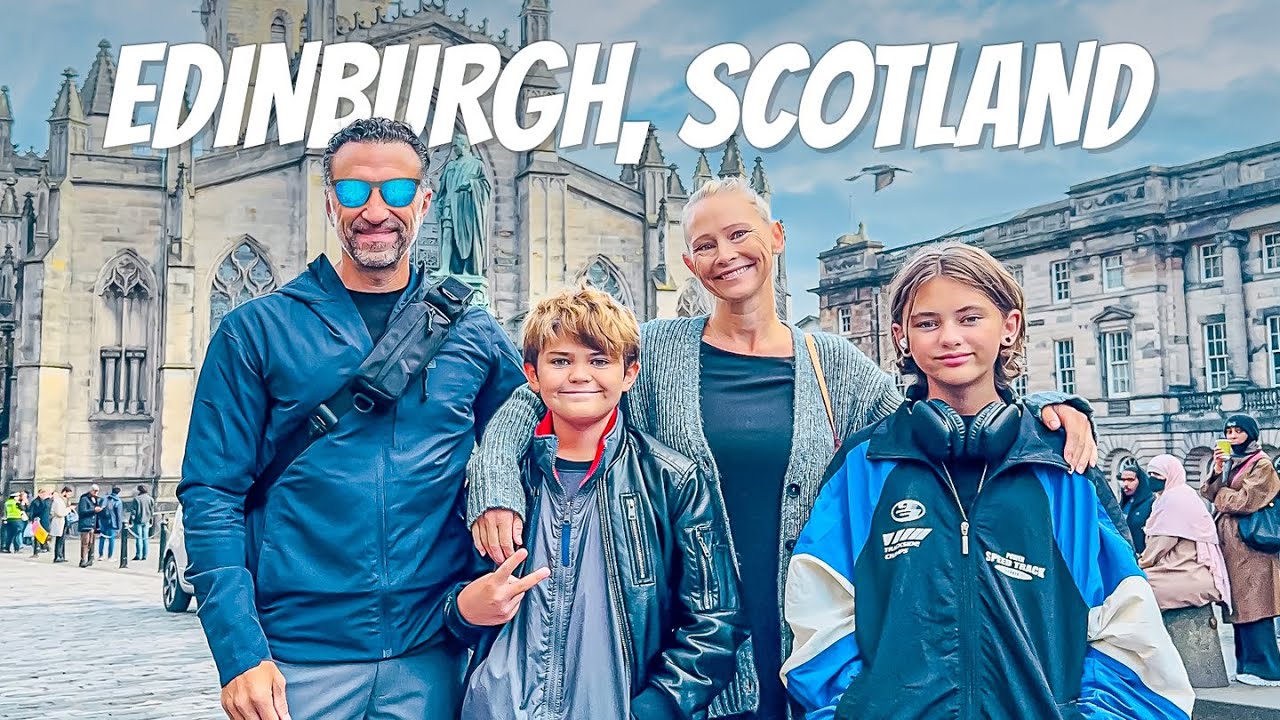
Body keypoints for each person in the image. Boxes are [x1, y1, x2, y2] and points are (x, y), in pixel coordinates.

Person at [467, 177, 1104, 718]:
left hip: (808, 638)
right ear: (689, 263)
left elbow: (937, 416)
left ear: (776, 237)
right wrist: (494, 488)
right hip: (691, 648)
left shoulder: (832, 363)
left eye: (741, 234)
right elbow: (539, 397)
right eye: (706, 245)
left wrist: (1044, 407)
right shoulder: (656, 351)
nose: (726, 254)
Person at [177, 117, 527, 720]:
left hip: (433, 655)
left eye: (395, 191)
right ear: (329, 199)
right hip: (296, 661)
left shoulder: (473, 332)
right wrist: (239, 654)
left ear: (424, 201)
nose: (374, 210)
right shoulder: (255, 331)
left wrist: (497, 488)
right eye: (353, 191)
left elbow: (534, 430)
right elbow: (211, 495)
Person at [779, 242, 1192, 720]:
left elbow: (1126, 628)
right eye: (927, 322)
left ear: (1010, 326)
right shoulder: (863, 465)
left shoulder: (1064, 467)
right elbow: (819, 621)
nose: (949, 337)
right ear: (902, 337)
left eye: (970, 318)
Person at [458, 285, 748, 719]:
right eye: (560, 361)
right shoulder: (497, 486)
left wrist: (655, 709)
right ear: (532, 376)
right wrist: (465, 609)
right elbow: (445, 592)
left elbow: (715, 620)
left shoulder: (672, 480)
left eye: (598, 360)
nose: (579, 375)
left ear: (629, 373)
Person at [1201, 413, 1280, 686]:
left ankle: (1267, 670)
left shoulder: (1262, 465)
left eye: (1238, 431)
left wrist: (1223, 496)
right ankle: (1247, 665)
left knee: (1256, 606)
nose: (1232, 436)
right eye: (1229, 431)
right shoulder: (1233, 463)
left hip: (1253, 546)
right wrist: (1217, 470)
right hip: (1233, 548)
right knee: (1240, 608)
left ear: (1250, 433)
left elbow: (1245, 500)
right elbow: (1208, 493)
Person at [1138, 455, 1228, 612]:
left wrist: (1141, 563)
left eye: (1158, 475)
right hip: (1193, 569)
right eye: (1150, 474)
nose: (1153, 479)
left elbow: (1160, 544)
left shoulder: (1173, 499)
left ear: (1171, 475)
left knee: (1134, 587)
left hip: (1184, 571)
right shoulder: (1182, 494)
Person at [1119, 461, 1157, 554]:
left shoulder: (1152, 503)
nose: (1125, 484)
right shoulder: (1123, 504)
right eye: (1123, 480)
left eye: (1130, 480)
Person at [77, 484, 103, 567]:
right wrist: (94, 510)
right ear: (90, 490)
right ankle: (83, 560)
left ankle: (90, 559)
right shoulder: (84, 499)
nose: (96, 493)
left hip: (93, 524)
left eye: (97, 491)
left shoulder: (96, 500)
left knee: (91, 543)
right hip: (85, 524)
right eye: (94, 491)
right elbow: (82, 511)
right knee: (85, 543)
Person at [97, 485, 124, 560]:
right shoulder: (118, 501)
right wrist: (119, 526)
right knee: (111, 540)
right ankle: (110, 556)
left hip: (103, 521)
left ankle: (101, 555)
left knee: (102, 539)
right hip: (113, 523)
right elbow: (119, 515)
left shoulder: (104, 498)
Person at [131, 485, 156, 561]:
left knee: (139, 538)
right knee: (145, 538)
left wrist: (131, 519)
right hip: (147, 520)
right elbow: (152, 511)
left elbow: (134, 511)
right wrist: (151, 519)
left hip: (138, 520)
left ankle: (138, 554)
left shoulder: (136, 499)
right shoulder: (150, 499)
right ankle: (145, 555)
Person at [50, 486, 73, 563]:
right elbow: (60, 513)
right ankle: (58, 556)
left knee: (62, 540)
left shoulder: (64, 501)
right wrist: (69, 509)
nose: (69, 496)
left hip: (63, 522)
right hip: (59, 521)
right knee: (59, 540)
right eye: (68, 494)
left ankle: (62, 555)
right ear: (64, 492)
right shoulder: (58, 501)